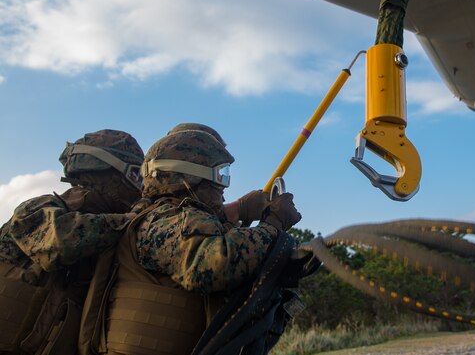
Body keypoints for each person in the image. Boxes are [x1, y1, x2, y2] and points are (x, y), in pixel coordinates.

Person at [102, 129, 301, 355]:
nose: (224, 187)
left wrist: (244, 211)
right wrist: (274, 225)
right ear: (190, 177)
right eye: (220, 175)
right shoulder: (164, 219)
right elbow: (216, 265)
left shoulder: (167, 217)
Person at [0, 129, 144, 355]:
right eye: (136, 175)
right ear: (106, 172)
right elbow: (59, 242)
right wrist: (127, 220)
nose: (140, 186)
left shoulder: (112, 235)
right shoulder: (38, 209)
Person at [166, 122, 271, 225]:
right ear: (191, 174)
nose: (220, 180)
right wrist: (275, 222)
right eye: (215, 170)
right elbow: (210, 241)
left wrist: (237, 210)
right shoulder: (169, 217)